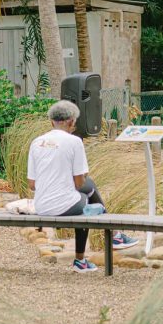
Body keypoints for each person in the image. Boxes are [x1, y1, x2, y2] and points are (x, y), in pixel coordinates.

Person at [27, 100, 138, 273]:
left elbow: (32, 185)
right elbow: (79, 183)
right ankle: (101, 245)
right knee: (87, 201)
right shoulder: (74, 142)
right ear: (71, 121)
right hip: (63, 206)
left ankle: (111, 239)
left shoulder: (36, 142)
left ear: (51, 122)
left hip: (41, 206)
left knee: (85, 193)